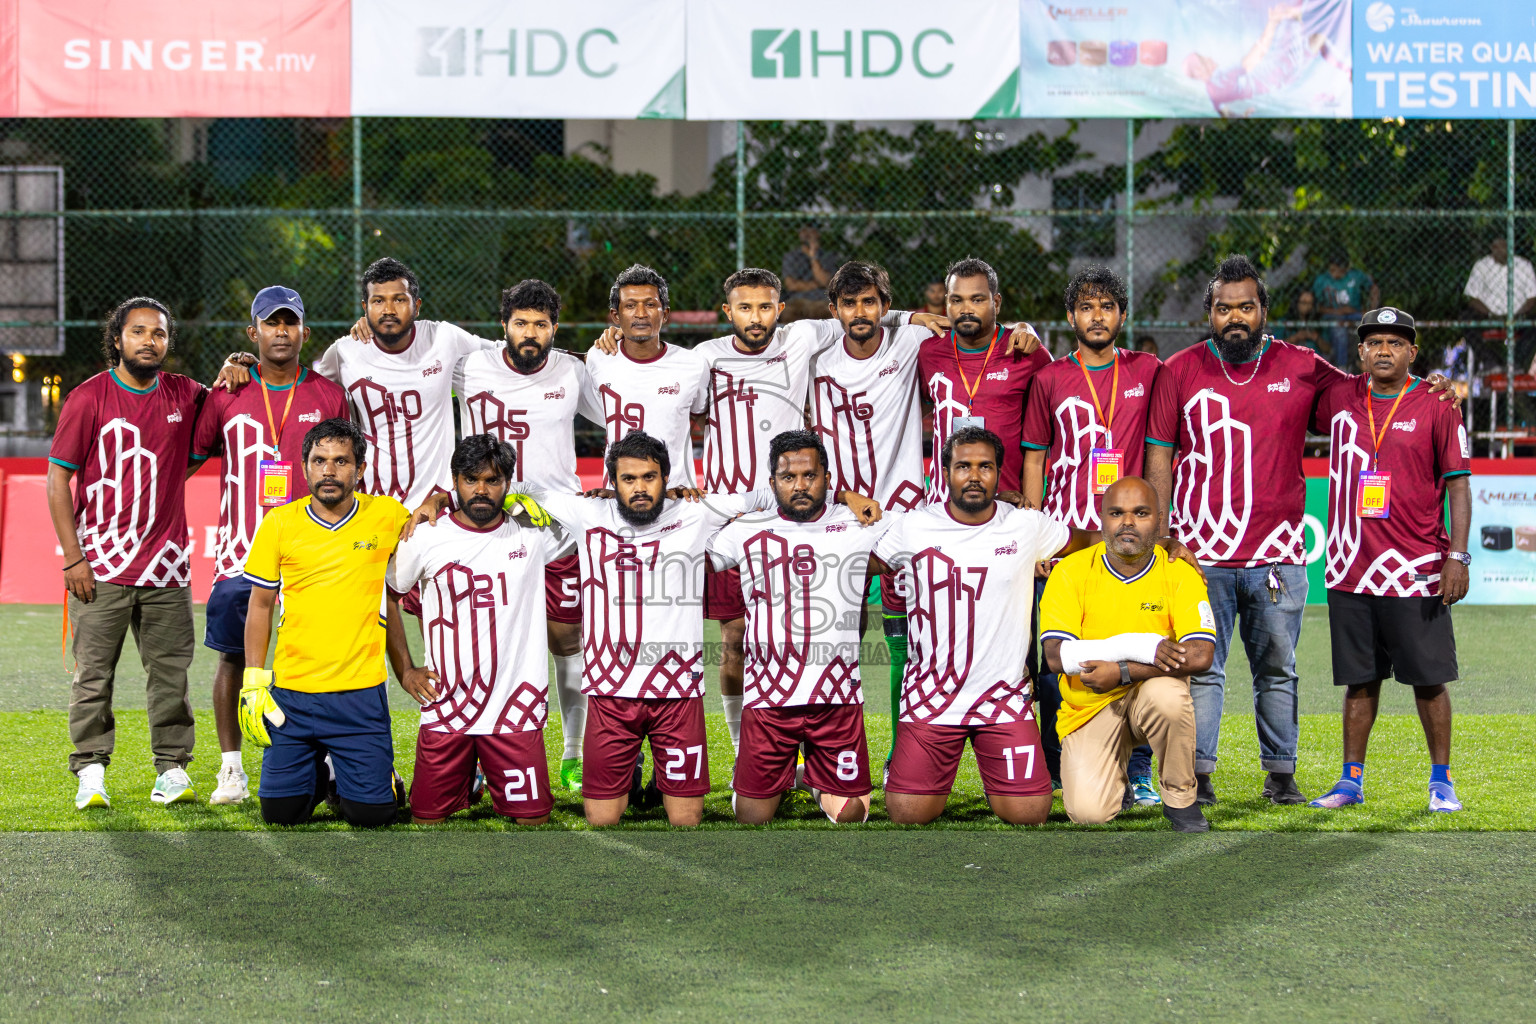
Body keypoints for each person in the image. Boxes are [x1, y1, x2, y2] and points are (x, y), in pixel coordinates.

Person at [1145, 254, 1458, 807]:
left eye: (1246, 306)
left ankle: (1281, 775)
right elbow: (1160, 458)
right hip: (1199, 553)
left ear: (1264, 310)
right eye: (1223, 309)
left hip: (1278, 556)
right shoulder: (1180, 370)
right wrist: (1164, 535)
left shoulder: (1304, 367)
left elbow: (1376, 391)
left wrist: (1432, 386)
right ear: (1209, 313)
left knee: (1278, 671)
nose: (1235, 317)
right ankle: (1201, 774)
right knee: (1205, 670)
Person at [484, 430, 878, 827]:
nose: (640, 488)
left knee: (687, 821)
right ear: (611, 483)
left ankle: (808, 780)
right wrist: (442, 500)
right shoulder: (586, 513)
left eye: (649, 477)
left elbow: (767, 495)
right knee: (601, 819)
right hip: (609, 690)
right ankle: (632, 772)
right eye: (628, 479)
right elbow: (508, 486)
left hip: (678, 691)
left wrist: (846, 497)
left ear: (666, 479)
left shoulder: (696, 511)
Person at [872, 427, 1096, 826]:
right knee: (908, 814)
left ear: (998, 472)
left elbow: (1089, 540)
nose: (974, 476)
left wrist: (1162, 543)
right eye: (963, 466)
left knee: (1029, 814)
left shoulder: (1026, 526)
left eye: (985, 467)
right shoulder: (912, 526)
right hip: (932, 698)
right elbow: (854, 557)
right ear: (944, 472)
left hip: (1002, 697)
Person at [1307, 307, 1473, 813]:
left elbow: (1458, 485)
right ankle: (1349, 782)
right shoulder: (1339, 396)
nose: (1384, 350)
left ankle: (1441, 782)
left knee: (1428, 679)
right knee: (1359, 680)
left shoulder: (1437, 404)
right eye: (1374, 342)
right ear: (1359, 351)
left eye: (1395, 343)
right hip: (1350, 568)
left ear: (1412, 353)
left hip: (1416, 568)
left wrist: (1457, 556)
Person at [47, 297, 208, 810]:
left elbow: (227, 408)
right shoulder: (88, 397)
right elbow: (57, 481)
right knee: (93, 676)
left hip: (166, 568)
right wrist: (74, 559)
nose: (149, 341)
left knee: (171, 678)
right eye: (137, 332)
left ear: (168, 342)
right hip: (100, 569)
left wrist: (233, 368)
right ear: (117, 339)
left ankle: (172, 771)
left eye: (158, 334)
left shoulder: (185, 394)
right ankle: (91, 772)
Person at [191, 286, 347, 805]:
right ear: (253, 333)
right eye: (271, 323)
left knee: (319, 659)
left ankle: (324, 761)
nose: (281, 331)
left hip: (311, 554)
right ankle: (230, 769)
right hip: (241, 551)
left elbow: (340, 468)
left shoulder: (327, 393)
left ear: (304, 331)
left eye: (290, 323)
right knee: (233, 659)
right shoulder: (226, 392)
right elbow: (192, 453)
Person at [453, 278, 602, 794]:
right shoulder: (470, 365)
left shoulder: (573, 370)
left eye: (541, 324)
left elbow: (625, 414)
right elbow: (408, 364)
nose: (531, 332)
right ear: (504, 326)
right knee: (486, 647)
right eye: (521, 322)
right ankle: (479, 755)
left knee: (567, 640)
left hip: (557, 533)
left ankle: (574, 753)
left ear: (555, 329)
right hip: (487, 532)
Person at [1021, 266, 1162, 803]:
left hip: (1124, 545)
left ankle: (1141, 771)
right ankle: (1058, 767)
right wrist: (1037, 538)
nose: (1096, 316)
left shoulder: (1149, 371)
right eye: (1086, 307)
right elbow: (1034, 461)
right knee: (1055, 667)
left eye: (1106, 306)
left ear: (1122, 316)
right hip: (1063, 546)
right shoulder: (1050, 379)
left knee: (1136, 654)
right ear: (1070, 317)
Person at [385, 435, 573, 825]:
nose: (482, 490)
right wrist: (404, 669)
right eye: (471, 480)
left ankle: (482, 778)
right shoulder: (425, 536)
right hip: (446, 707)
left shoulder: (533, 533)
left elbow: (603, 510)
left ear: (508, 483)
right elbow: (387, 596)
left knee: (533, 821)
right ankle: (468, 780)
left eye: (493, 480)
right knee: (426, 820)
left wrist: (538, 502)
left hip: (514, 710)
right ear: (454, 481)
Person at [708, 430, 889, 825]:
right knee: (750, 817)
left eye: (810, 475)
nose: (800, 486)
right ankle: (792, 773)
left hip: (836, 700)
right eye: (788, 478)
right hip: (770, 701)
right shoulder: (745, 530)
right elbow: (686, 545)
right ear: (772, 483)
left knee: (853, 816)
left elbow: (929, 533)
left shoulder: (860, 523)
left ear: (827, 478)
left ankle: (812, 779)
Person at [239, 418, 411, 827]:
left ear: (361, 469)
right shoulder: (280, 523)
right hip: (293, 696)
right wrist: (253, 680)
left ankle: (366, 777)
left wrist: (436, 502)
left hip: (359, 697)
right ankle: (324, 772)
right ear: (304, 467)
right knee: (281, 814)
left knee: (372, 815)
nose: (329, 471)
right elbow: (260, 606)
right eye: (319, 461)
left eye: (340, 461)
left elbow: (433, 526)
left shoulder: (386, 515)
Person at [1039, 476, 1215, 833]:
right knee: (1089, 813)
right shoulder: (1071, 570)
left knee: (1168, 696)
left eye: (1141, 513)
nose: (1128, 522)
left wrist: (1122, 671)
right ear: (1102, 518)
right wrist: (1145, 650)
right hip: (1088, 707)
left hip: (1147, 697)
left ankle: (1180, 799)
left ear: (1159, 520)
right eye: (1117, 513)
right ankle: (1116, 781)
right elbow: (1057, 657)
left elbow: (1200, 654)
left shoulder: (1179, 570)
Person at [916, 257, 1052, 505]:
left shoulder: (1026, 352)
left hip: (1006, 503)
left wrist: (1032, 513)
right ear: (946, 302)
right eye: (956, 300)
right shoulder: (929, 352)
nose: (966, 309)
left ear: (996, 302)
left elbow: (1044, 438)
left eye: (977, 299)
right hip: (941, 506)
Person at [585, 264, 710, 491]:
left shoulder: (693, 364)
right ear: (616, 315)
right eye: (630, 305)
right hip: (616, 497)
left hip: (678, 496)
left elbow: (703, 419)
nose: (641, 314)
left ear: (666, 314)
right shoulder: (598, 358)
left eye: (650, 304)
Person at [1463, 237, 1536, 370]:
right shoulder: (1482, 265)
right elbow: (1471, 297)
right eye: (1498, 247)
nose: (1501, 251)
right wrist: (1491, 314)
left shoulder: (1524, 265)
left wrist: (1519, 314)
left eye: (1505, 247)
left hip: (1518, 316)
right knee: (1466, 317)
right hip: (1488, 316)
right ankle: (1490, 362)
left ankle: (1517, 363)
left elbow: (1532, 297)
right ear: (1492, 248)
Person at [1312, 251, 1378, 366]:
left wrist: (1370, 311)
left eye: (1340, 270)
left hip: (1354, 313)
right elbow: (1317, 307)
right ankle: (1342, 367)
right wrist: (1338, 311)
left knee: (1370, 326)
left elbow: (1374, 289)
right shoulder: (1322, 280)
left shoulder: (1356, 275)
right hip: (1332, 315)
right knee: (1339, 331)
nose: (1336, 273)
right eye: (1333, 270)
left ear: (1346, 269)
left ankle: (1368, 365)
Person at [781, 225, 840, 321]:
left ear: (817, 234)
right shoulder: (791, 256)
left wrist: (813, 257)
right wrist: (816, 284)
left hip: (822, 301)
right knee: (787, 313)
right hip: (798, 300)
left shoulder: (827, 256)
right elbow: (791, 285)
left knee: (833, 312)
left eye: (811, 230)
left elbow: (825, 282)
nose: (807, 234)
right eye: (804, 230)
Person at [1272, 289, 1325, 356]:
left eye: (1310, 303)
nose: (1307, 306)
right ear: (1296, 302)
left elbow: (1328, 349)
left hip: (1313, 360)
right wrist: (1296, 337)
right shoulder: (1283, 321)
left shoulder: (1317, 322)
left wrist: (1316, 337)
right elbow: (1275, 347)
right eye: (1304, 302)